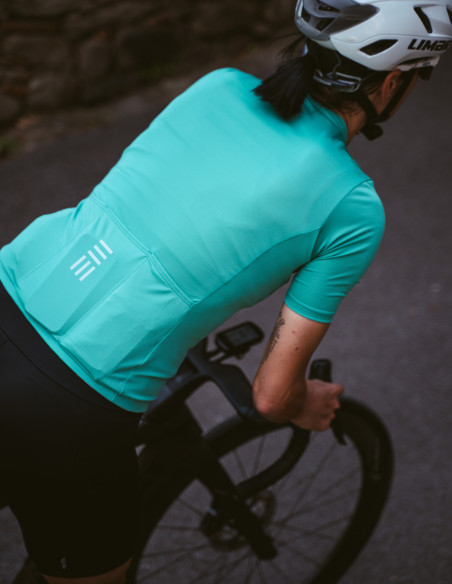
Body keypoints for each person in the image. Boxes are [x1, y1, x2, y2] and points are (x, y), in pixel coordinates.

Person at [1, 1, 451, 583]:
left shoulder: (218, 87)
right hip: (72, 405)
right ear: (392, 82)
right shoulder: (352, 207)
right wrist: (305, 405)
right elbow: (271, 397)